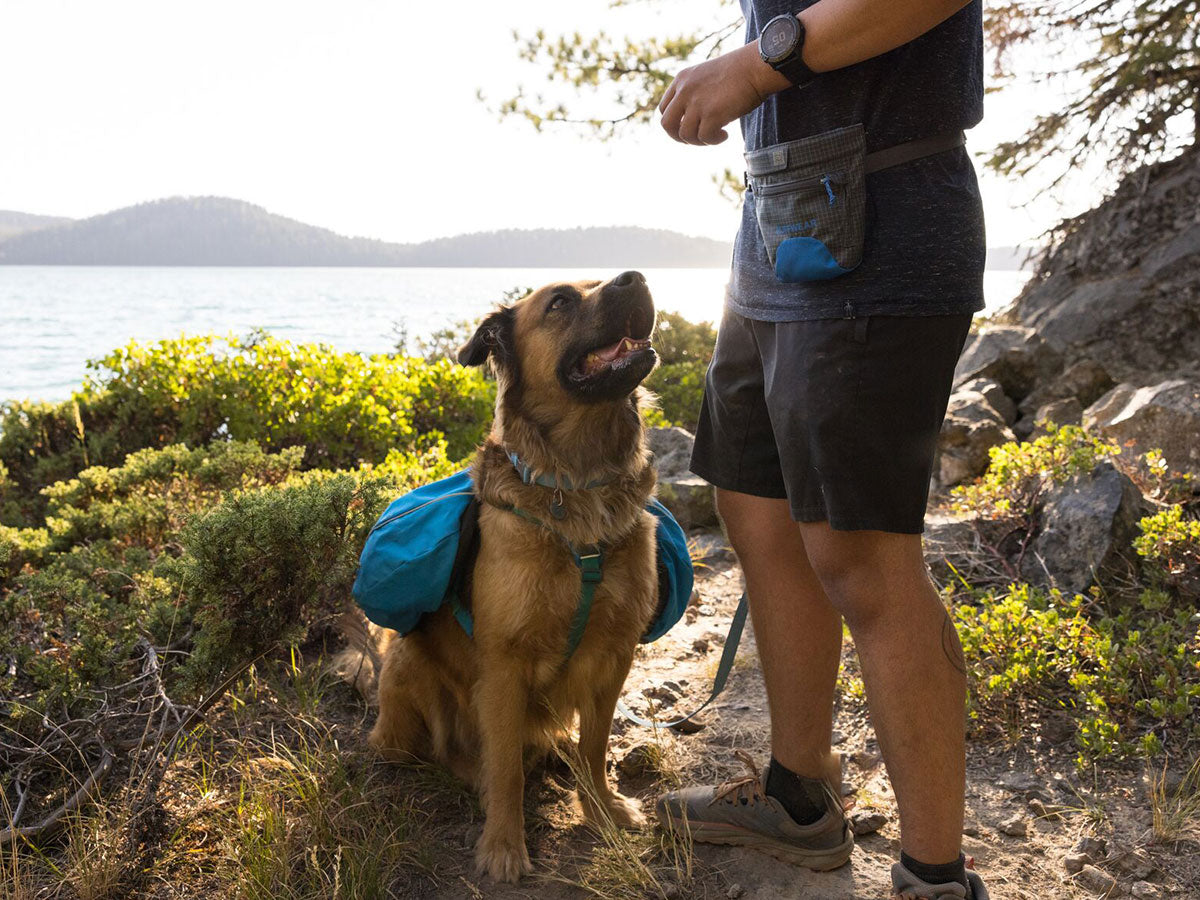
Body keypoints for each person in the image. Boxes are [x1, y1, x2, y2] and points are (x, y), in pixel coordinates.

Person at [653, 2, 990, 898]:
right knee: (754, 507)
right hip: (773, 226)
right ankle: (798, 797)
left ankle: (934, 876)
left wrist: (755, 67)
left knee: (860, 554)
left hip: (885, 212)